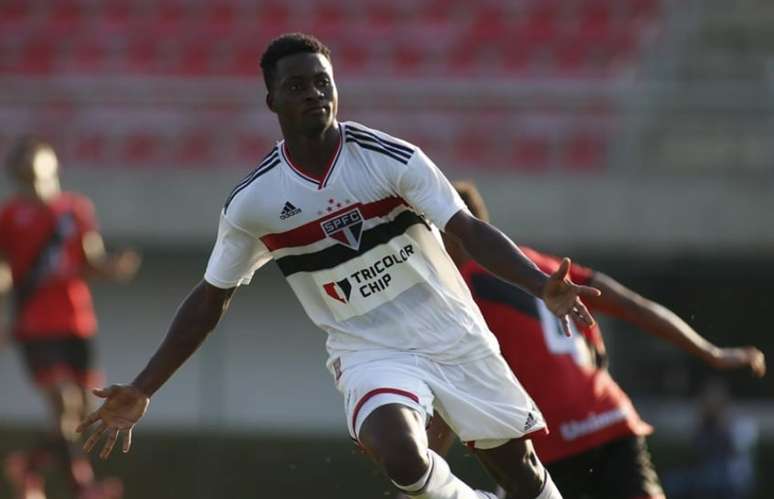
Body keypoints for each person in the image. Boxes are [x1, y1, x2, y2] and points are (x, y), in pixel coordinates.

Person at [76, 33, 603, 499]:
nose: (314, 94)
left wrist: (540, 285)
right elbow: (212, 297)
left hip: (455, 335)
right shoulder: (254, 203)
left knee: (523, 480)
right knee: (401, 456)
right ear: (273, 100)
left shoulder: (389, 159)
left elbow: (466, 229)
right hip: (368, 348)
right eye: (298, 86)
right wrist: (145, 386)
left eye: (322, 83)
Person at [416, 180, 766, 499]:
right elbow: (630, 304)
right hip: (609, 418)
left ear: (449, 230)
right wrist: (710, 352)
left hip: (553, 440)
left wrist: (421, 475)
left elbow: (458, 385)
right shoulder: (532, 262)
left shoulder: (461, 289)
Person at [0, 137, 141, 499]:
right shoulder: (10, 216)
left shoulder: (74, 210)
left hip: (75, 322)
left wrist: (113, 268)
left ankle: (29, 466)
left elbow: (88, 260)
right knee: (62, 402)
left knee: (84, 411)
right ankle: (83, 487)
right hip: (34, 325)